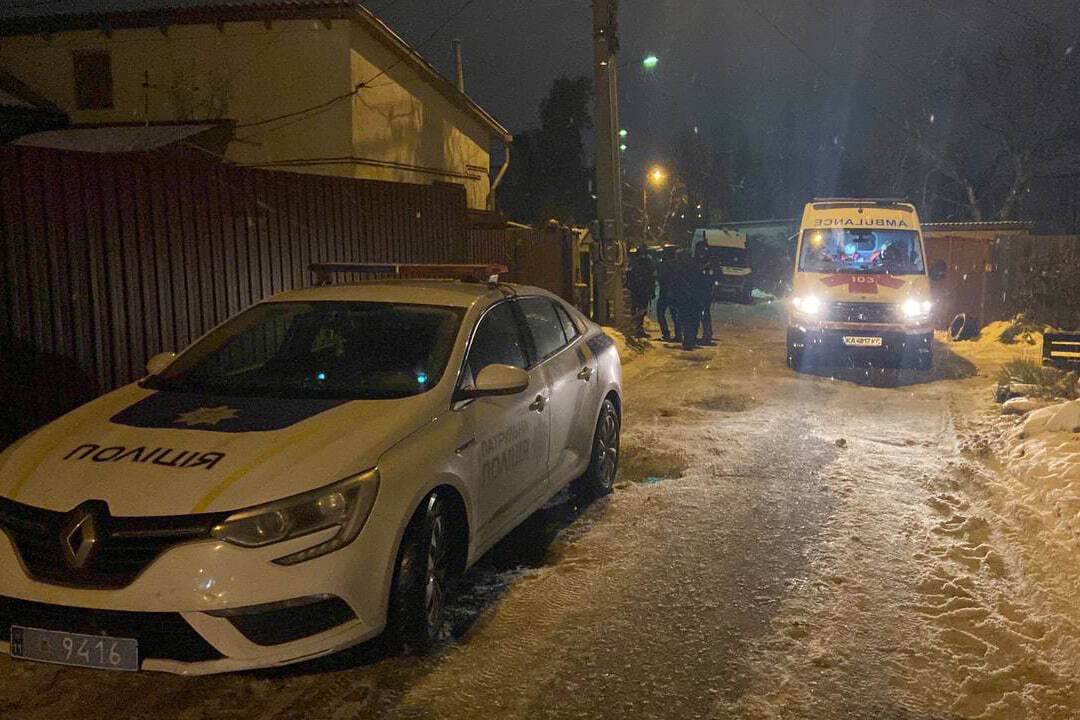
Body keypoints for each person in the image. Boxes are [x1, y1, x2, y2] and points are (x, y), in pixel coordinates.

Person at [672, 249, 701, 351]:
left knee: (686, 320)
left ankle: (688, 340)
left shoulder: (682, 268)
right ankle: (690, 339)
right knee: (692, 320)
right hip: (693, 298)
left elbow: (677, 283)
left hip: (686, 298)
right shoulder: (695, 266)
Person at [626, 247, 656, 338]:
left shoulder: (634, 263)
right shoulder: (647, 262)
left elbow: (629, 277)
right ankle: (637, 328)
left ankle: (635, 328)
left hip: (636, 290)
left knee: (636, 309)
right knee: (641, 309)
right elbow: (652, 278)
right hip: (643, 290)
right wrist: (652, 291)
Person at [655, 245, 680, 342]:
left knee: (660, 313)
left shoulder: (664, 265)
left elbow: (661, 277)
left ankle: (666, 334)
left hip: (665, 292)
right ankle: (678, 335)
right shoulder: (678, 265)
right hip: (676, 292)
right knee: (675, 315)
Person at [694, 241, 716, 345]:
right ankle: (702, 334)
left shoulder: (710, 262)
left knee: (704, 313)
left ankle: (707, 335)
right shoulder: (696, 260)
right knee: (699, 313)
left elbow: (715, 275)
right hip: (698, 290)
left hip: (705, 291)